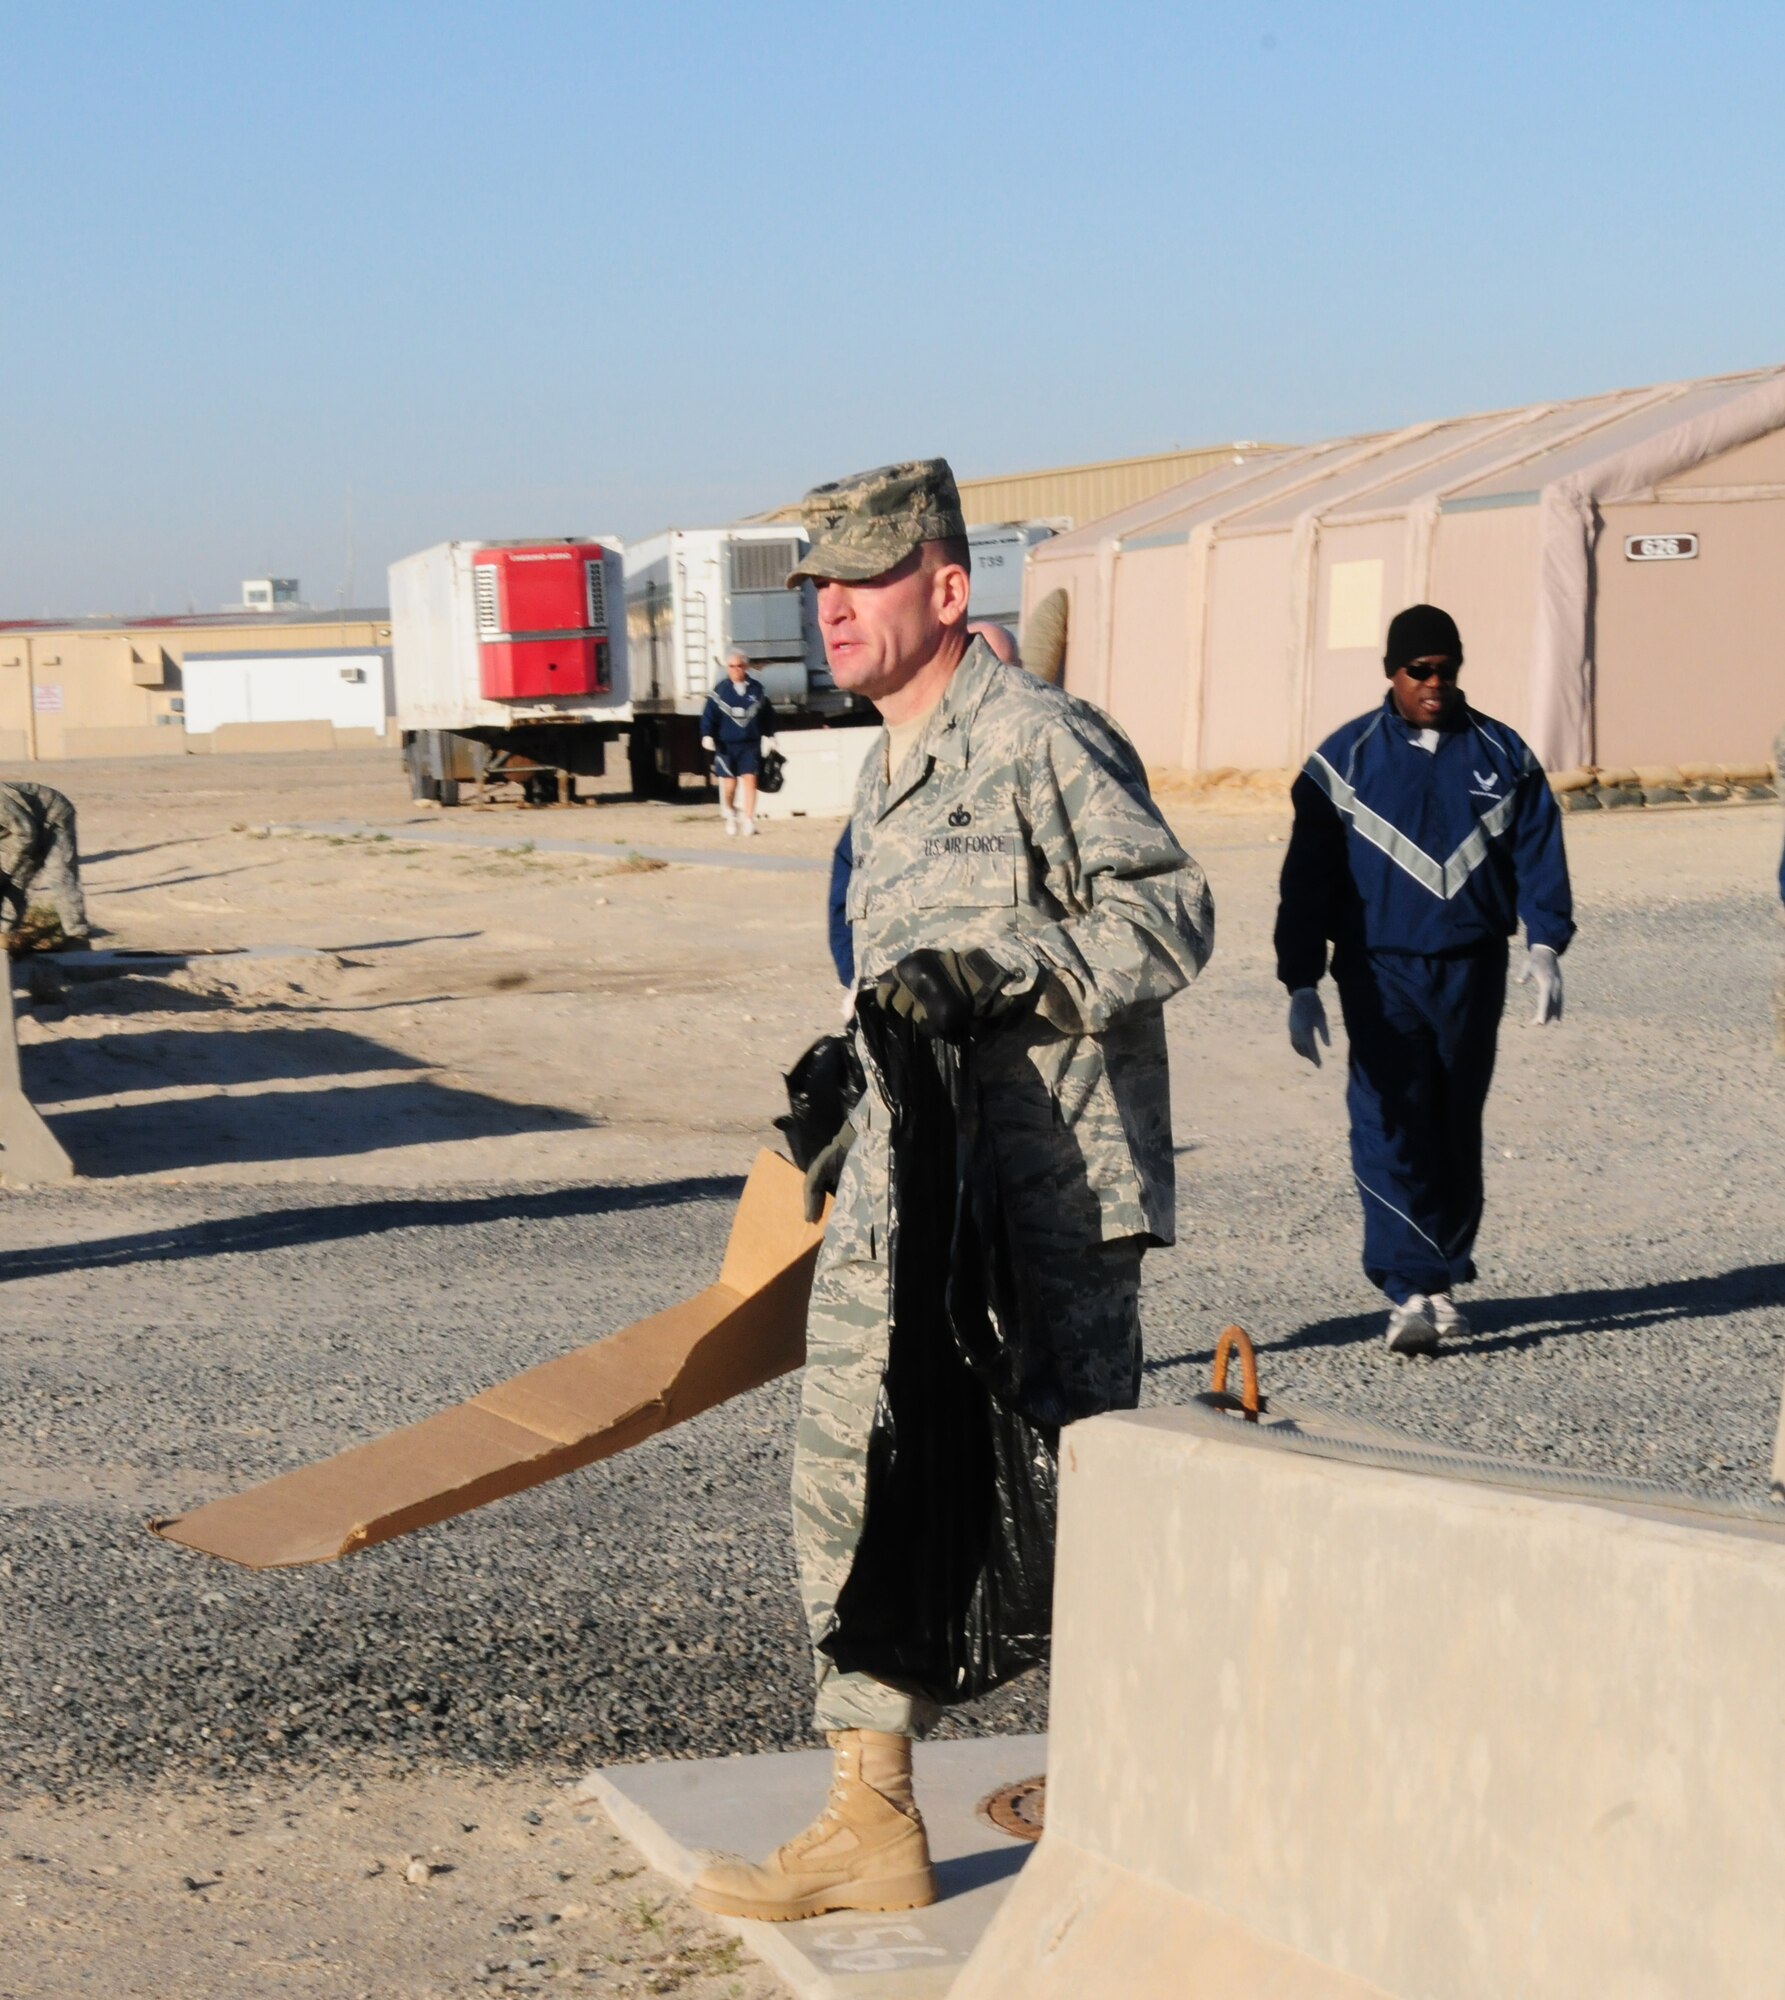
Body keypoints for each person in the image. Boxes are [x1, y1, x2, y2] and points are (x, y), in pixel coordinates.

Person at [691, 460, 1213, 1923]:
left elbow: (1169, 914)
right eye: (818, 592)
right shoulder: (882, 767)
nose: (833, 612)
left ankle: (1134, 1794)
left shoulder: (1039, 740)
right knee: (855, 1471)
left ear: (943, 587)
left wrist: (1006, 972)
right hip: (915, 1203)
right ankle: (871, 1815)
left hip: (1049, 1197)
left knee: (1079, 1502)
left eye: (859, 583)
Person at [1273, 603, 1573, 1357]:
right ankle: (1406, 1286)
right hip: (1378, 971)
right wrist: (1301, 980)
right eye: (1420, 671)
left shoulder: (1503, 754)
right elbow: (1304, 881)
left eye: (1446, 670)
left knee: (1450, 1121)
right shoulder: (1342, 762)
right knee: (1386, 1117)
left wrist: (1545, 945)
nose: (1435, 684)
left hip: (1472, 967)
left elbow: (1539, 853)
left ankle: (1440, 1278)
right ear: (1391, 672)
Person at [824, 624, 1021, 999]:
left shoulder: (1046, 750)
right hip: (904, 1021)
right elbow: (850, 885)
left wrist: (985, 978)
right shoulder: (892, 766)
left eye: (1002, 668)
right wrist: (858, 983)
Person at [699, 650, 778, 836]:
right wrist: (707, 735)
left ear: (746, 667)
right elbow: (709, 715)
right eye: (731, 666)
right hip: (726, 745)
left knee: (750, 781)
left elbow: (767, 714)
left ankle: (749, 820)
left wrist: (771, 734)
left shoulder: (756, 689)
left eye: (739, 666)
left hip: (750, 744)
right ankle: (731, 814)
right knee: (730, 786)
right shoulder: (720, 691)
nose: (735, 670)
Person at [0, 780, 90, 943]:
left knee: (60, 875)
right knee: (16, 884)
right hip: (19, 832)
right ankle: (6, 934)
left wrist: (8, 869)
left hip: (53, 815)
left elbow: (26, 834)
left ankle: (77, 933)